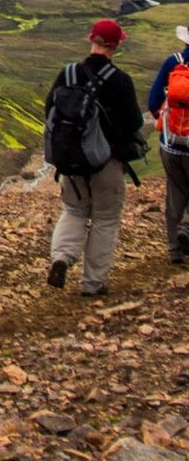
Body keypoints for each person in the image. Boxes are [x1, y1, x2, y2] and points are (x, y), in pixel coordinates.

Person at [46, 18, 143, 296]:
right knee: (105, 219)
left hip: (71, 160)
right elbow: (133, 122)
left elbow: (49, 112)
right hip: (107, 162)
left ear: (92, 40)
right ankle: (92, 284)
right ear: (116, 45)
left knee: (74, 210)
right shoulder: (120, 81)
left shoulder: (68, 74)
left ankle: (61, 258)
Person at [147, 23, 189, 264]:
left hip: (170, 143)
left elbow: (153, 101)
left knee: (175, 192)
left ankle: (174, 249)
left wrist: (165, 121)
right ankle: (187, 230)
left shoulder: (172, 62)